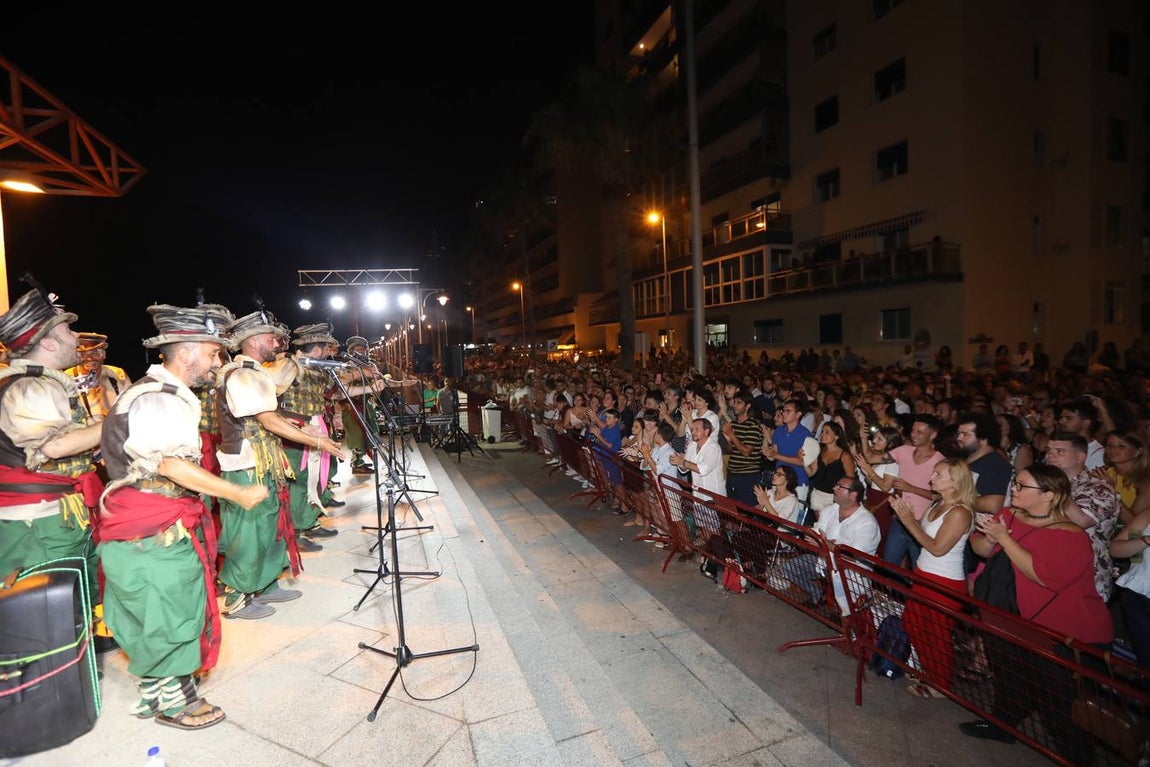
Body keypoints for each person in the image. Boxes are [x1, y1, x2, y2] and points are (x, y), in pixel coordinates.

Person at [96, 303, 269, 729]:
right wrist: (238, 492)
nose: (217, 362)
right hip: (154, 526)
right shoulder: (163, 399)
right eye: (212, 353)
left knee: (152, 609)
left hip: (141, 523)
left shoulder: (152, 392)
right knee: (172, 609)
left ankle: (155, 692)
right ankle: (177, 703)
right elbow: (171, 464)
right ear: (188, 350)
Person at [959, 465, 1113, 757]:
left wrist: (1004, 539)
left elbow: (1043, 577)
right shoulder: (1009, 515)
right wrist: (990, 538)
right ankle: (1002, 725)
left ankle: (1078, 758)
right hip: (1014, 620)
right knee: (1009, 678)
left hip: (1062, 633)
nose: (1013, 489)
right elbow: (980, 550)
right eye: (1015, 483)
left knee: (1059, 703)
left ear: (1049, 495)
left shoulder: (1071, 535)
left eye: (1022, 486)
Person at [214, 307, 344, 619]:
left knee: (271, 523)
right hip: (245, 463)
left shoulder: (256, 372)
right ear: (253, 341)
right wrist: (316, 441)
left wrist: (303, 428)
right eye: (270, 338)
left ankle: (264, 583)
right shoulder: (239, 374)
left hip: (265, 459)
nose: (277, 342)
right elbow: (268, 420)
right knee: (250, 531)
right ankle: (236, 596)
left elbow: (273, 414)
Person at [0, 287, 105, 627]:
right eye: (68, 331)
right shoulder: (26, 387)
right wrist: (116, 423)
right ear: (47, 342)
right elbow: (55, 447)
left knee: (71, 598)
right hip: (39, 523)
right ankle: (65, 655)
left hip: (58, 513)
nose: (76, 338)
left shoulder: (45, 383)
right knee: (48, 612)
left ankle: (81, 645)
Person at [891, 459, 976, 698]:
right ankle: (929, 671)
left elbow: (938, 548)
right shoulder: (938, 503)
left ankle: (940, 685)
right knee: (914, 623)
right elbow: (923, 532)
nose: (931, 478)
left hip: (944, 581)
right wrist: (908, 516)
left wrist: (908, 521)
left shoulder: (960, 512)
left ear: (955, 481)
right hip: (924, 574)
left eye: (939, 474)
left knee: (937, 635)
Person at [782, 477, 881, 612]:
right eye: (836, 485)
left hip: (850, 574)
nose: (834, 489)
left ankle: (844, 610)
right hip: (824, 562)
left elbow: (854, 557)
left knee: (847, 613)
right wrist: (816, 537)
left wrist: (825, 544)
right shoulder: (829, 510)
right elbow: (814, 535)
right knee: (789, 567)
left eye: (839, 487)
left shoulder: (867, 523)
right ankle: (818, 595)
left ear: (853, 495)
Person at [1044, 431, 1120, 603]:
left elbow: (1080, 522)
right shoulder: (1042, 485)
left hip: (1086, 578)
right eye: (1048, 450)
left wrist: (1056, 485)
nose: (1051, 456)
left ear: (1081, 457)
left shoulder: (1099, 488)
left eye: (1060, 451)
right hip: (1048, 568)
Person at [883, 415, 945, 571]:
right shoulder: (904, 450)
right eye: (913, 430)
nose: (914, 435)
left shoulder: (940, 462)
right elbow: (875, 457)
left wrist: (910, 488)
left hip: (921, 524)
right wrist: (864, 440)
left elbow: (939, 497)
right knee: (889, 567)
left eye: (920, 432)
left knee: (918, 570)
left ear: (933, 435)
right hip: (899, 520)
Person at [65, 332, 132, 423]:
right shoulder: (67, 378)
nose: (90, 358)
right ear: (77, 356)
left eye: (95, 353)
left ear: (104, 354)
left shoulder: (118, 374)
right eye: (83, 354)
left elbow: (132, 403)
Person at [721, 389, 763, 507]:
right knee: (732, 508)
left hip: (747, 475)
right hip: (732, 473)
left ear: (747, 406)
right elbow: (730, 451)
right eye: (734, 402)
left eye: (739, 403)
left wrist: (731, 435)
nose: (735, 405)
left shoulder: (753, 426)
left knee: (748, 509)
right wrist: (729, 441)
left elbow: (746, 452)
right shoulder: (733, 424)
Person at [805, 421, 855, 514]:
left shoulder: (844, 456)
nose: (822, 434)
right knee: (820, 522)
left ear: (836, 437)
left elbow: (851, 479)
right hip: (818, 494)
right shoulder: (819, 450)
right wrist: (803, 461)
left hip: (834, 497)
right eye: (822, 432)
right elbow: (811, 473)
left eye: (827, 432)